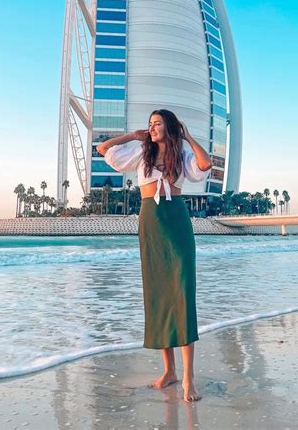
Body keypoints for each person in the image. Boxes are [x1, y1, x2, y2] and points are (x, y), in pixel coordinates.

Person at [96, 109, 212, 402]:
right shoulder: (141, 153)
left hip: (176, 220)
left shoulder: (182, 157)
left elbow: (205, 164)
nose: (152, 127)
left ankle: (188, 378)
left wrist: (186, 135)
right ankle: (169, 372)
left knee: (182, 295)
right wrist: (133, 136)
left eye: (157, 123)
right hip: (151, 221)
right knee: (159, 295)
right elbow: (103, 149)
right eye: (150, 124)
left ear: (170, 127)